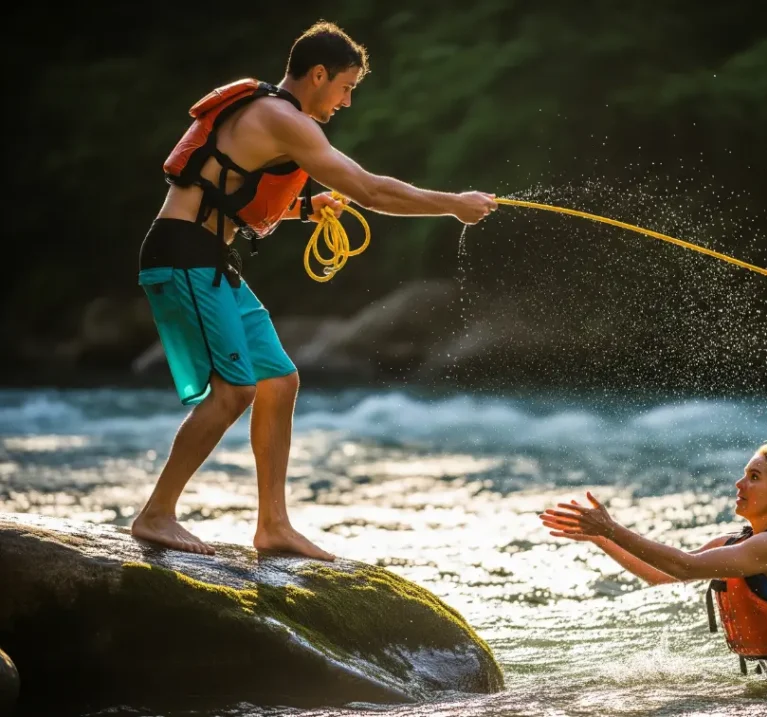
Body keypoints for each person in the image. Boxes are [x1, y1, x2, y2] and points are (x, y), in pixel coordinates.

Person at [132, 20, 498, 560]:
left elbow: (232, 190)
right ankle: (157, 514)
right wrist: (452, 203)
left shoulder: (270, 115)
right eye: (346, 87)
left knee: (279, 380)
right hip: (183, 256)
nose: (348, 101)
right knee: (235, 391)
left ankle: (273, 525)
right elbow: (371, 190)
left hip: (209, 257)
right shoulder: (284, 118)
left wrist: (307, 206)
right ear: (319, 74)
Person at [539, 443, 767, 682]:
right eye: (743, 475)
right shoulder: (741, 544)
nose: (739, 484)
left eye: (754, 477)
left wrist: (612, 528)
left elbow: (685, 566)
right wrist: (601, 539)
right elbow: (662, 575)